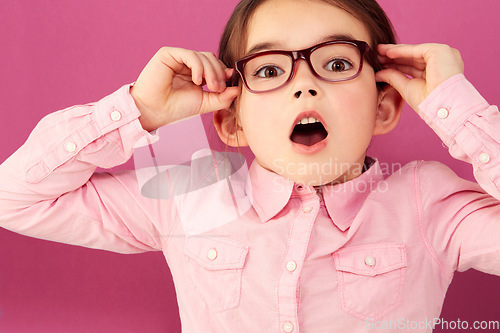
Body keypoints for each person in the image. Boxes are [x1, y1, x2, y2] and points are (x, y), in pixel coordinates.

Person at [0, 0, 499, 331]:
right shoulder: (190, 194)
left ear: (384, 107)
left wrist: (457, 110)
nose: (306, 85)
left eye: (338, 63)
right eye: (268, 70)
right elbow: (15, 199)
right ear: (231, 124)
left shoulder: (429, 202)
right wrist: (140, 112)